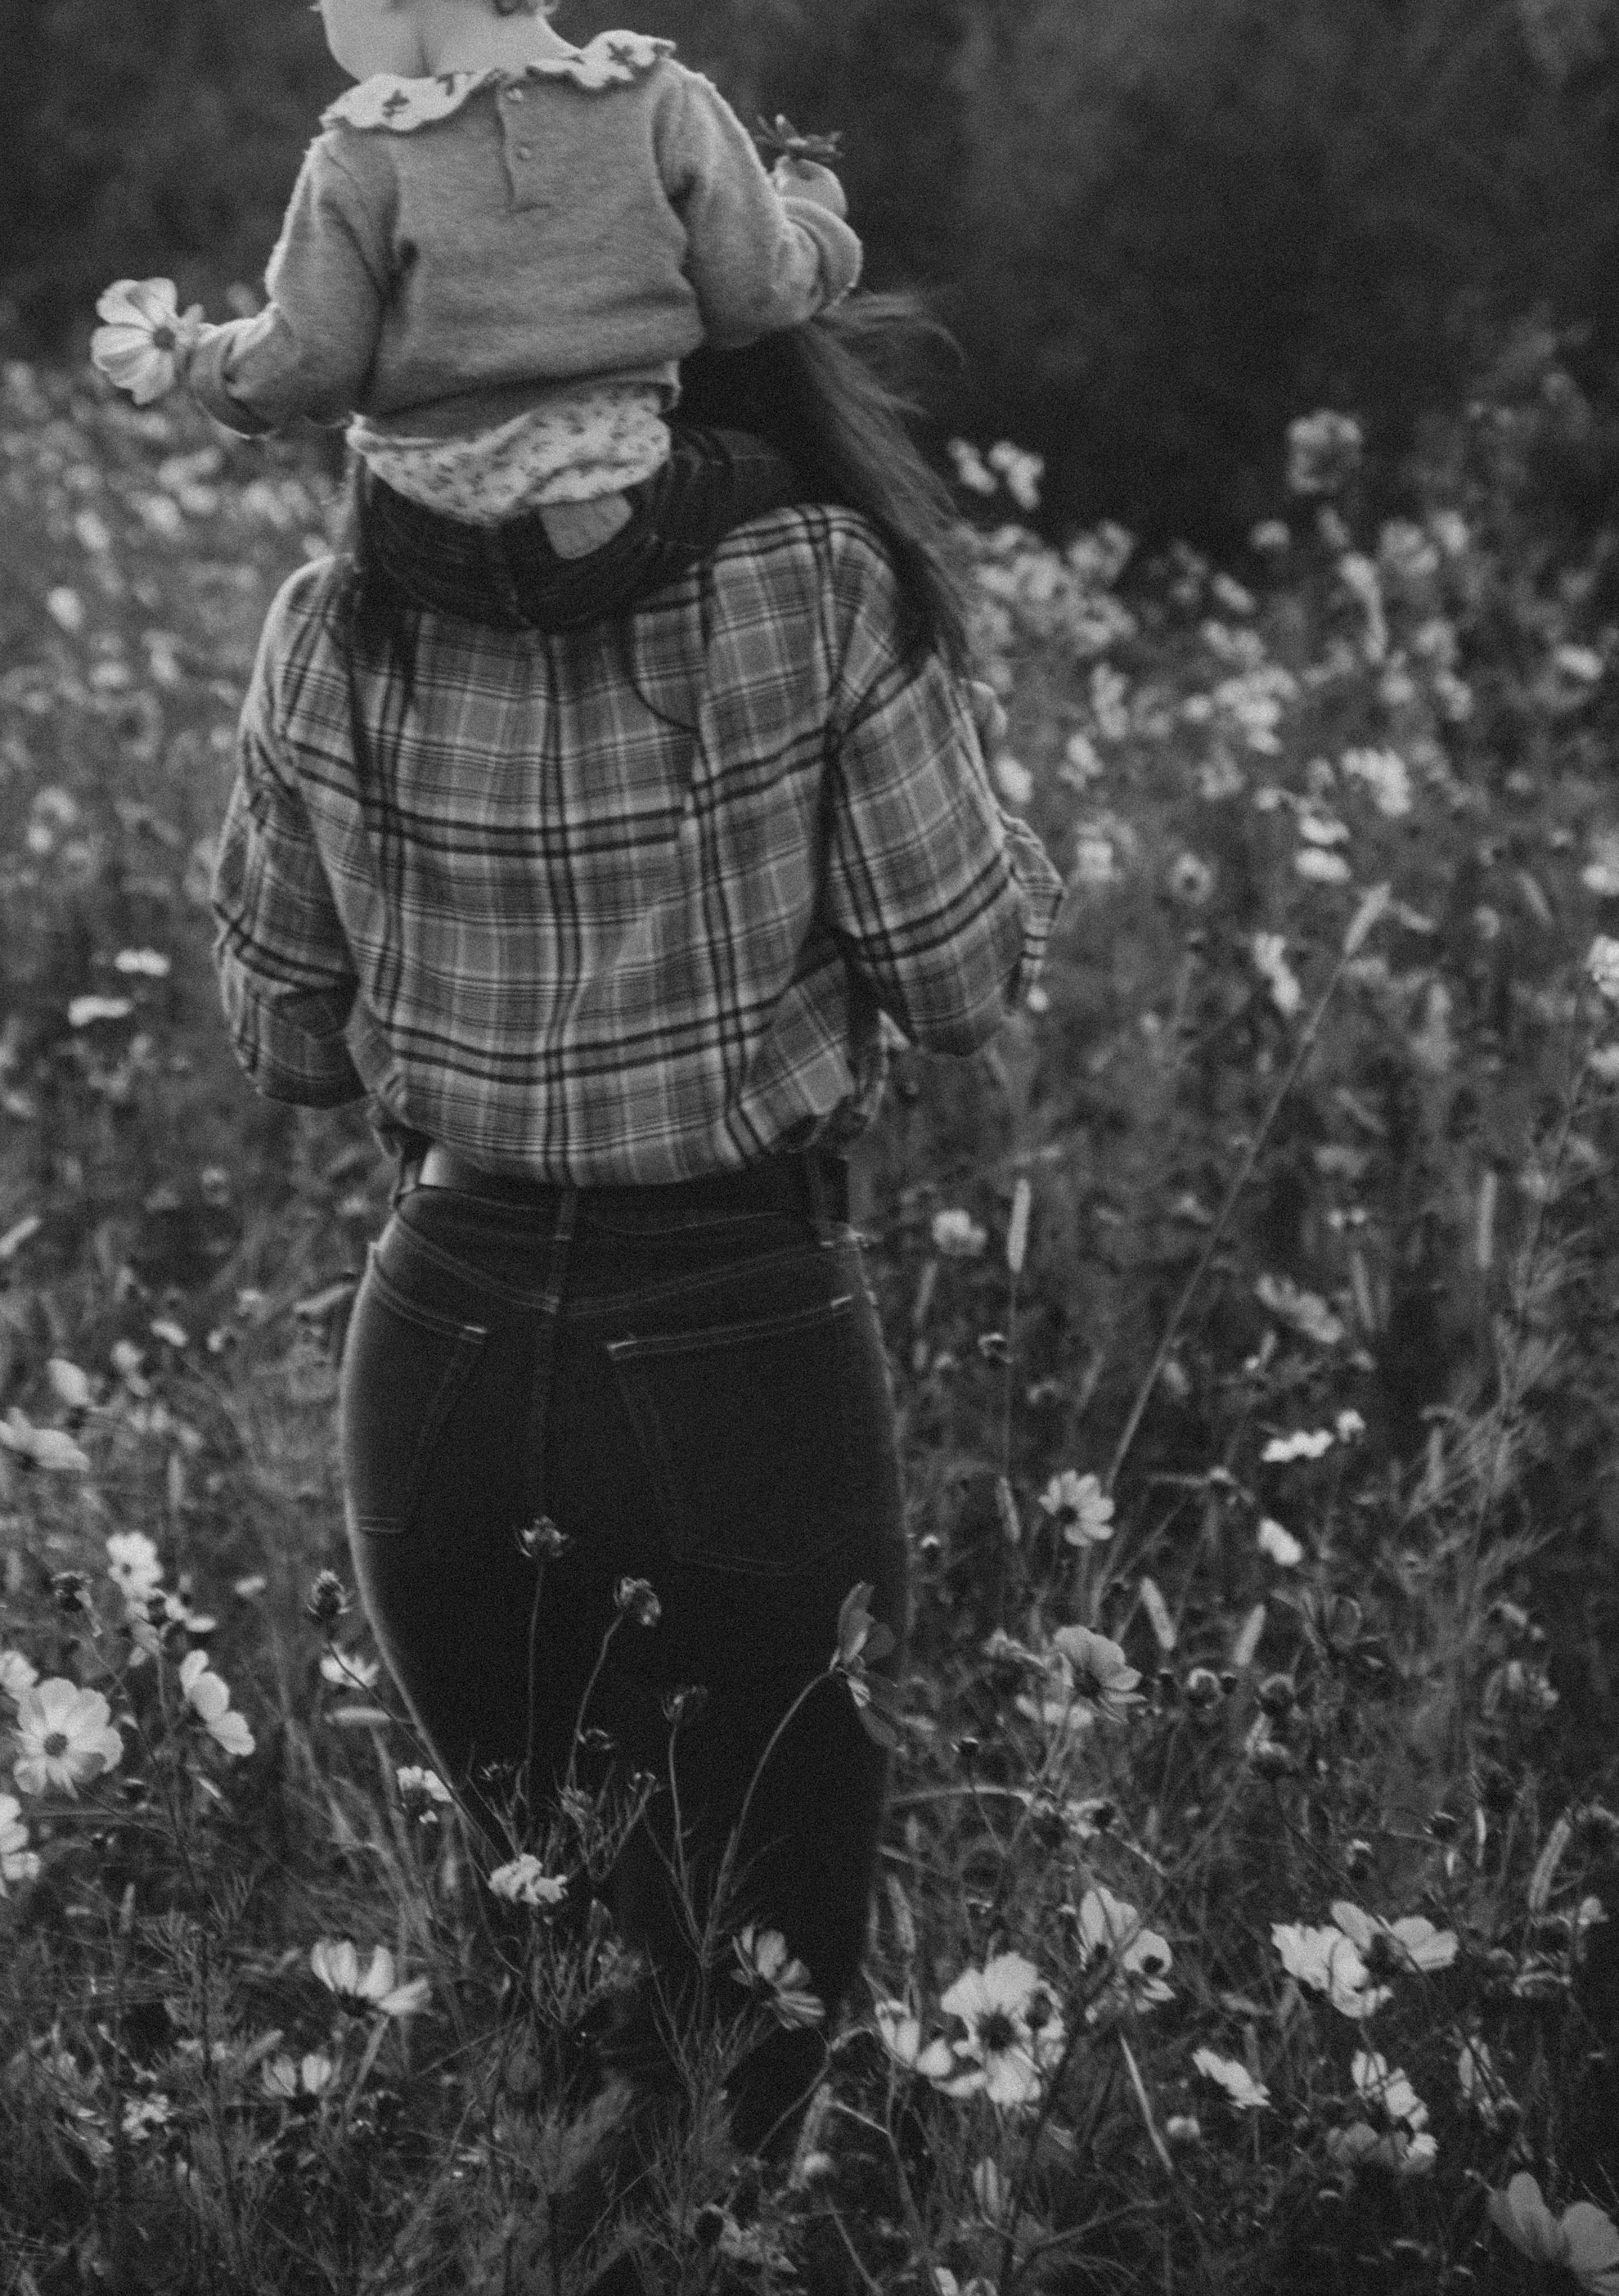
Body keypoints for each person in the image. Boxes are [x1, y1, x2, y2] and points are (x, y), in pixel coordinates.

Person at [209, 292, 1064, 2263]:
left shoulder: (329, 620)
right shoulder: (818, 583)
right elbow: (960, 977)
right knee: (761, 2018)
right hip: (737, 1333)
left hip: (444, 1333)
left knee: (560, 1990)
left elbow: (287, 1034)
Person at [89, 0, 861, 617]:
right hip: (611, 525)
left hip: (418, 546)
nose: (319, 13)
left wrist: (207, 362)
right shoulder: (657, 100)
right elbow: (753, 296)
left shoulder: (361, 153)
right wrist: (812, 222)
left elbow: (312, 361)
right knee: (784, 472)